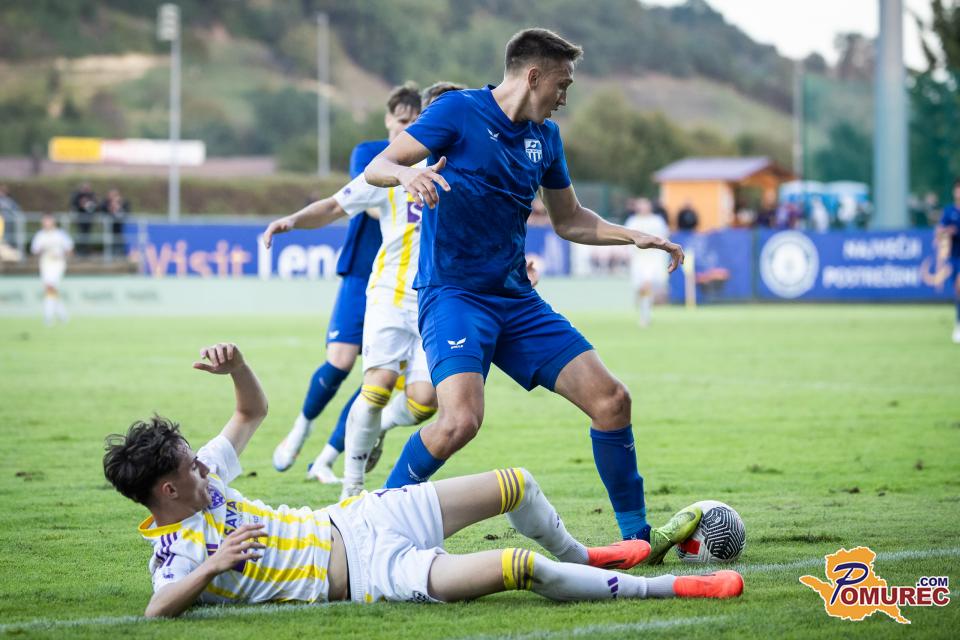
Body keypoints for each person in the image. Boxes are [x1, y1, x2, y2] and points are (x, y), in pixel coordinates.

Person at [102, 341, 743, 618]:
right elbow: (158, 607)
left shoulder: (206, 477)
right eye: (188, 464)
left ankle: (587, 556)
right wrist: (215, 567)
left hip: (362, 517)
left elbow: (251, 413)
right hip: (371, 576)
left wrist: (239, 366)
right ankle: (673, 587)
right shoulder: (177, 552)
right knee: (520, 567)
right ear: (166, 491)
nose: (202, 464)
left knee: (516, 483)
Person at [364, 28, 690, 562]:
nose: (564, 97)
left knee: (612, 401)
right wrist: (404, 175)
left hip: (516, 300)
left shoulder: (547, 138)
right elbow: (377, 166)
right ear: (533, 76)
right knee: (459, 422)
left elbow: (570, 219)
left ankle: (638, 539)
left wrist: (633, 235)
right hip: (454, 296)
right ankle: (373, 523)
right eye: (562, 84)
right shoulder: (458, 111)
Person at [264, 82, 467, 500]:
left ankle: (381, 427)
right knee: (375, 387)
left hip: (439, 301)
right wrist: (292, 221)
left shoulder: (473, 170)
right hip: (391, 293)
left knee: (425, 402)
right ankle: (352, 491)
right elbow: (335, 205)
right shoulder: (395, 167)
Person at [625, 198, 670, 327]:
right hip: (638, 259)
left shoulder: (657, 221)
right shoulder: (632, 221)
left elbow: (664, 238)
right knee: (641, 288)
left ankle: (646, 316)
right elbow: (627, 239)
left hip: (653, 258)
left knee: (648, 285)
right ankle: (644, 312)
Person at [30, 213, 74, 325]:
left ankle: (48, 317)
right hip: (45, 264)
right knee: (51, 289)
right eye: (44, 221)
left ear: (53, 222)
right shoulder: (40, 235)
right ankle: (62, 314)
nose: (46, 223)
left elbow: (69, 249)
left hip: (58, 265)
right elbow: (34, 250)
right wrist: (41, 250)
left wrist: (61, 255)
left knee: (50, 287)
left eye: (48, 221)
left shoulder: (60, 234)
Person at [935, 178, 960, 343]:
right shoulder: (949, 211)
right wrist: (946, 231)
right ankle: (958, 323)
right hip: (955, 256)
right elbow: (939, 232)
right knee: (958, 291)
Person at [99, 188, 130, 255]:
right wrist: (110, 207)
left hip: (119, 227)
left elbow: (126, 212)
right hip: (108, 227)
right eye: (111, 195)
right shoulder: (105, 203)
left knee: (118, 240)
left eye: (115, 195)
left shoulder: (123, 203)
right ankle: (110, 255)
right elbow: (102, 211)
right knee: (109, 240)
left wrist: (118, 206)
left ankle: (119, 254)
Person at [70, 182, 98, 256]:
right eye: (85, 188)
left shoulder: (92, 195)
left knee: (87, 236)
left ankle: (86, 251)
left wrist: (89, 204)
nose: (86, 189)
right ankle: (80, 251)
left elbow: (95, 206)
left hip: (89, 219)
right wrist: (80, 204)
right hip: (80, 219)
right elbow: (74, 204)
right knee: (80, 235)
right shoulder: (77, 195)